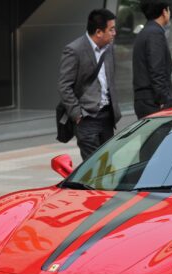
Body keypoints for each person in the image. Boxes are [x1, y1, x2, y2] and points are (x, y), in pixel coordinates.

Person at [58, 9, 121, 161]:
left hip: (107, 117)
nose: (115, 33)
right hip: (87, 118)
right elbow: (64, 86)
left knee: (108, 162)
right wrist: (77, 115)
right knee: (93, 165)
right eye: (111, 29)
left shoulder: (109, 48)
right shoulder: (74, 50)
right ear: (99, 32)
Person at [132, 1, 172, 119]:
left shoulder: (146, 31)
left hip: (145, 100)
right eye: (168, 9)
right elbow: (157, 70)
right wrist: (164, 100)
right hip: (153, 102)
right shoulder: (155, 33)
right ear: (164, 12)